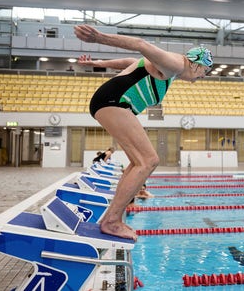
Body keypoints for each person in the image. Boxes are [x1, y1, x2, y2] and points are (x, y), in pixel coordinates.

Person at [74, 24, 213, 240]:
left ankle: (112, 218)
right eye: (206, 70)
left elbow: (129, 63)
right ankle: (111, 221)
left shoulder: (169, 70)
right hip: (114, 102)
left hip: (111, 101)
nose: (204, 76)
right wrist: (99, 38)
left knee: (137, 162)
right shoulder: (176, 63)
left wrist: (98, 63)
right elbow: (140, 44)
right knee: (149, 160)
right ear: (196, 64)